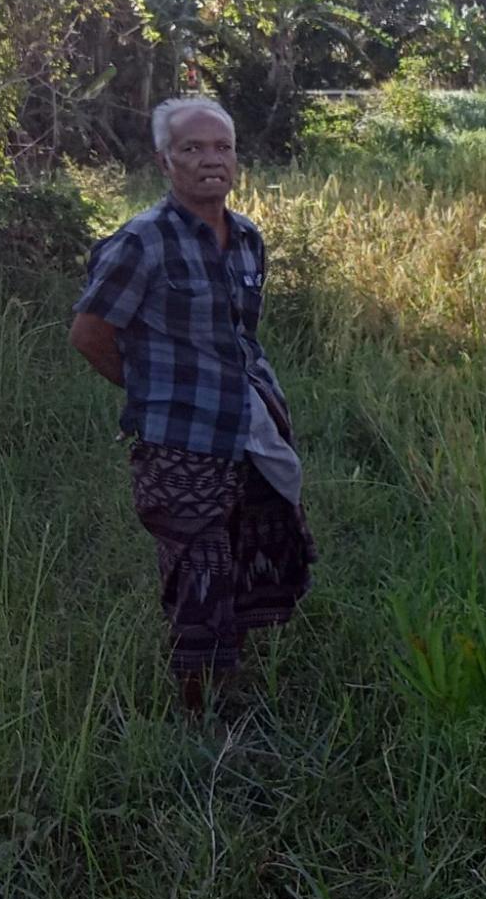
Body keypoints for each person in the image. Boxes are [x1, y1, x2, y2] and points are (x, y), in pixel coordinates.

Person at [69, 96, 314, 719]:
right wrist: (153, 393)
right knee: (195, 571)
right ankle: (197, 712)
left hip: (249, 426)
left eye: (222, 148)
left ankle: (235, 681)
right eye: (193, 148)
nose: (211, 161)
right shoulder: (140, 243)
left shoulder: (250, 239)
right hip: (178, 439)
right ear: (165, 161)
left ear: (236, 157)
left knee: (251, 551)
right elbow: (90, 334)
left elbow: (243, 335)